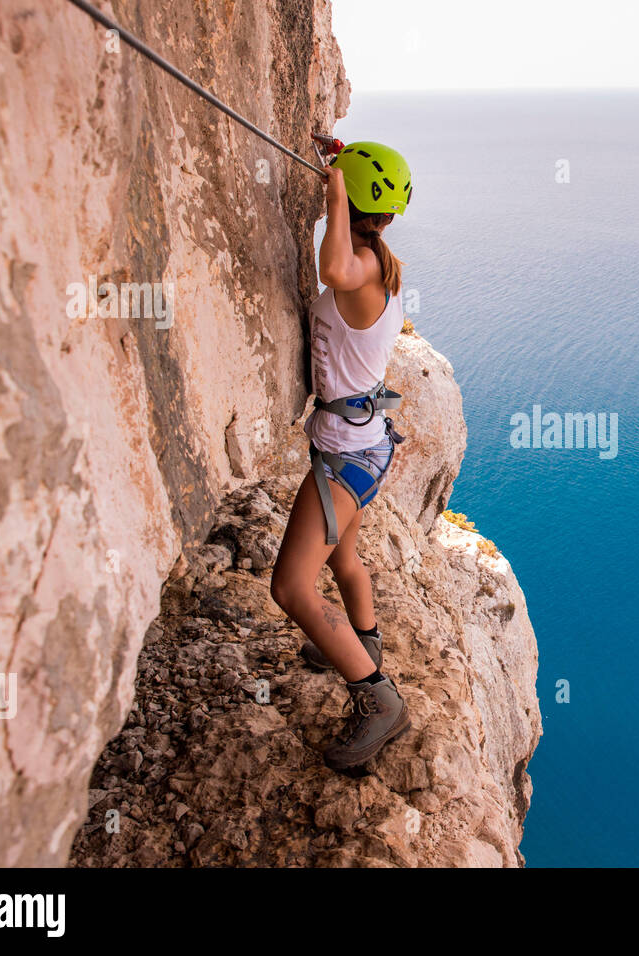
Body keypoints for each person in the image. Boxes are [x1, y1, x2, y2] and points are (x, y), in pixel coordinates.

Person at [270, 141, 414, 770]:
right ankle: (366, 644)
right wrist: (340, 166)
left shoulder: (359, 270)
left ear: (352, 205)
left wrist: (332, 193)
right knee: (344, 560)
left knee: (291, 586)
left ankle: (377, 699)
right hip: (365, 450)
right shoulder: (379, 263)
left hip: (345, 458)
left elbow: (332, 272)